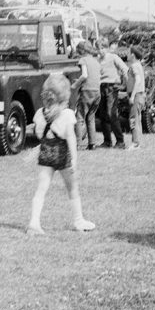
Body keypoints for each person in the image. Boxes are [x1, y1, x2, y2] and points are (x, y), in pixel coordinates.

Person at [28, 72, 95, 234]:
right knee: (72, 188)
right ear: (65, 95)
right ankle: (78, 220)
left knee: (41, 189)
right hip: (63, 155)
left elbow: (38, 134)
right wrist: (74, 159)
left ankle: (34, 223)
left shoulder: (39, 114)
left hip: (46, 155)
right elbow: (71, 137)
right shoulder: (67, 115)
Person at [96, 37, 129, 149]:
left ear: (106, 48)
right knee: (103, 115)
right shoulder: (98, 60)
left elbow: (125, 69)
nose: (100, 51)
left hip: (112, 88)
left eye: (102, 48)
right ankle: (107, 141)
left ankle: (120, 141)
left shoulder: (113, 57)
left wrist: (125, 84)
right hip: (101, 88)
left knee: (112, 114)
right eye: (98, 48)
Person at [70, 40, 102, 150]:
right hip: (97, 92)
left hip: (87, 92)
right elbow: (95, 77)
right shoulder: (96, 61)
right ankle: (92, 144)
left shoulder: (83, 59)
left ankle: (77, 144)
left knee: (79, 118)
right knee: (91, 118)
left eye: (78, 51)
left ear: (82, 51)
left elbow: (84, 75)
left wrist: (75, 84)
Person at [125, 45, 146, 150]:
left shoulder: (134, 66)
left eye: (128, 53)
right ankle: (138, 142)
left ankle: (135, 143)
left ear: (133, 55)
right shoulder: (139, 65)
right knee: (138, 120)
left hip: (136, 95)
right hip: (140, 95)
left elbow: (137, 80)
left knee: (133, 119)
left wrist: (132, 96)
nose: (127, 55)